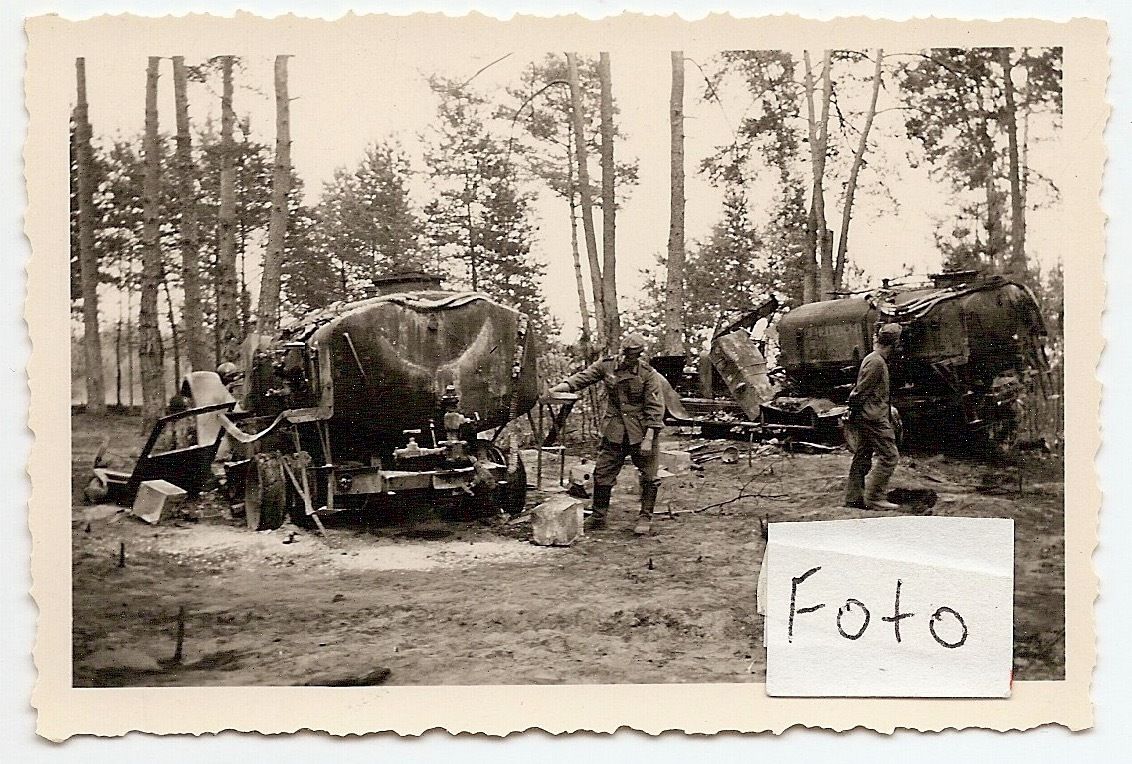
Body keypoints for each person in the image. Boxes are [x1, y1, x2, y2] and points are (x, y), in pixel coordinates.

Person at [548, 332, 665, 535]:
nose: (629, 359)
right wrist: (558, 389)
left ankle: (645, 516)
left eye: (635, 356)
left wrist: (648, 439)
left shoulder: (648, 374)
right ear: (622, 351)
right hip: (615, 430)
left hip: (641, 431)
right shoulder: (607, 365)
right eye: (627, 354)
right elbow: (583, 378)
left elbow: (655, 409)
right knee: (602, 474)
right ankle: (598, 516)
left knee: (649, 476)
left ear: (640, 355)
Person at [844, 322, 903, 510]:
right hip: (873, 418)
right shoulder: (876, 362)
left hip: (870, 414)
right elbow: (860, 391)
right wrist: (852, 412)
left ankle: (854, 498)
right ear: (894, 343)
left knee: (862, 455)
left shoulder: (875, 359)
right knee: (890, 456)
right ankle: (875, 497)